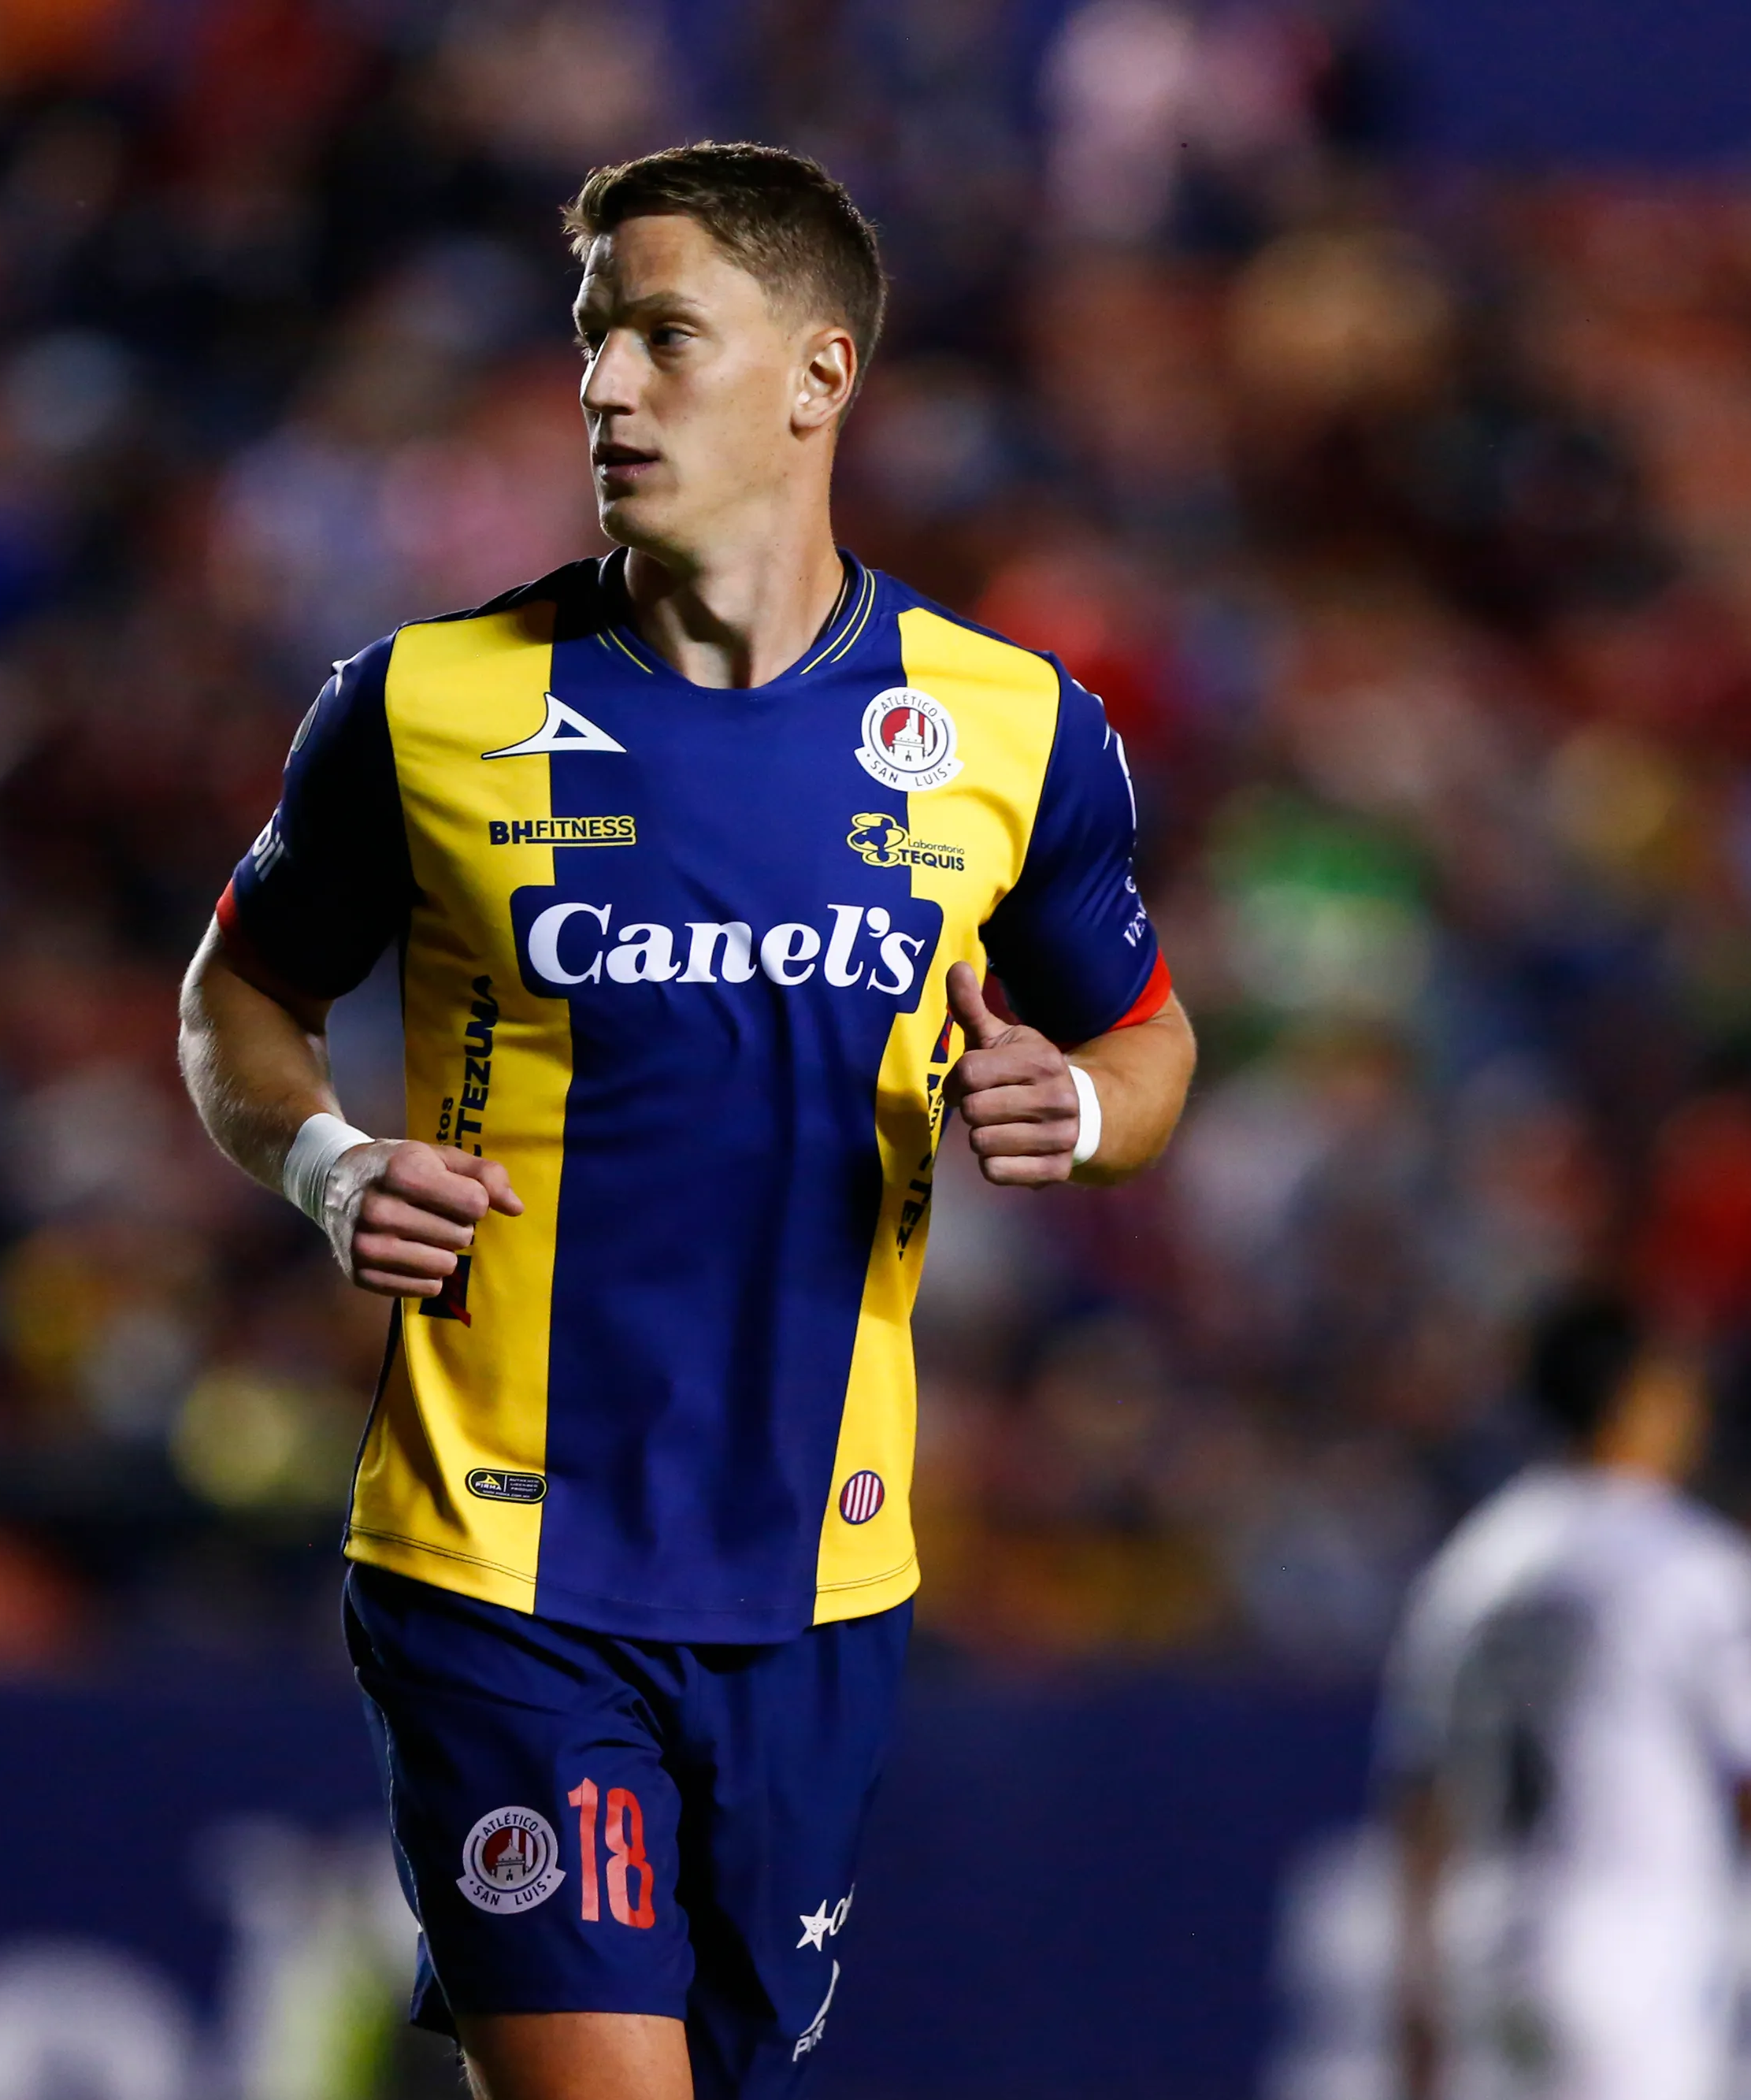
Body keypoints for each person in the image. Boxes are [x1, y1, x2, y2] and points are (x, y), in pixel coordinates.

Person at [176, 143, 1197, 2100]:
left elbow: (1150, 1047)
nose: (603, 386)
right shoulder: (420, 707)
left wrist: (1067, 1101)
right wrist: (325, 1161)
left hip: (821, 1579)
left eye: (664, 337)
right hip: (499, 1560)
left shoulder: (1013, 729)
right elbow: (237, 995)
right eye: (589, 338)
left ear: (817, 373)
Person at [1378, 1297, 1751, 2100]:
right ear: (1633, 1395)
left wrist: (1415, 1979)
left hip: (1484, 1942)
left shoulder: (1468, 1568)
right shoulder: (1689, 1562)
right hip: (1626, 1946)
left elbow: (1423, 1796)